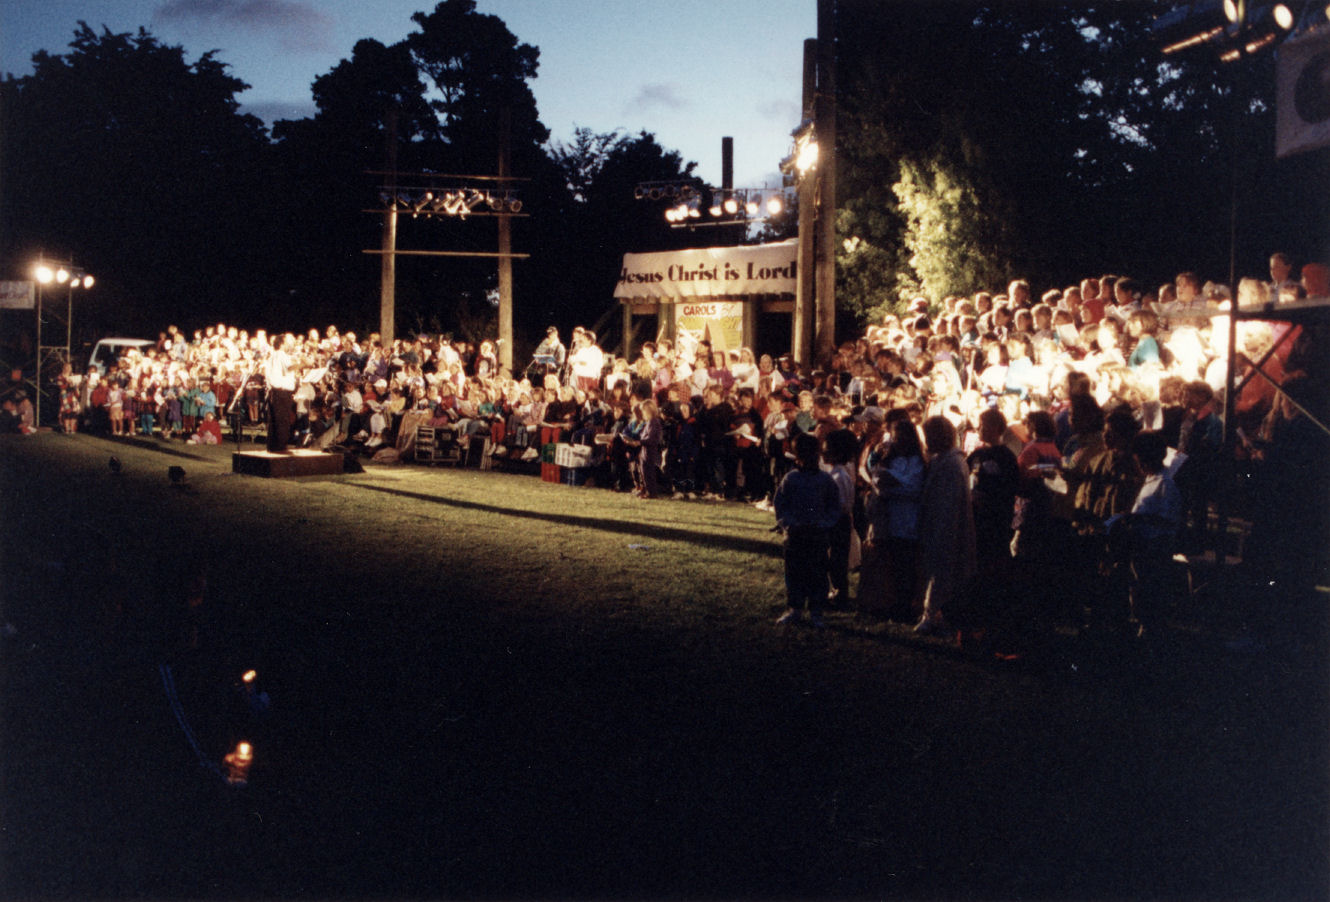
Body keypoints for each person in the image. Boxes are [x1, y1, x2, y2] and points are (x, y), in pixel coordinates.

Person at [914, 416, 976, 636]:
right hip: (937, 523)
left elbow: (950, 502)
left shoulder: (952, 464)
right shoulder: (942, 461)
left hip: (947, 526)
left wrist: (942, 528)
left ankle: (933, 616)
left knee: (942, 573)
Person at [774, 432, 842, 627]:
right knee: (794, 573)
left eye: (812, 454)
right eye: (804, 455)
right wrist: (789, 524)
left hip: (817, 534)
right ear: (797, 457)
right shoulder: (791, 479)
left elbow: (834, 506)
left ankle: (816, 610)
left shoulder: (825, 480)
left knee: (818, 573)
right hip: (795, 535)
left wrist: (825, 523)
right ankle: (795, 608)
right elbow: (781, 505)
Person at [264, 332, 297, 453]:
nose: (288, 345)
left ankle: (272, 446)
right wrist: (303, 364)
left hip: (274, 391)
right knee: (283, 420)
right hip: (282, 391)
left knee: (274, 420)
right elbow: (289, 367)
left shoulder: (271, 356)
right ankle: (281, 447)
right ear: (282, 344)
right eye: (287, 343)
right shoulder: (282, 355)